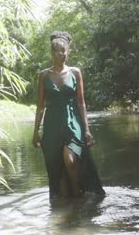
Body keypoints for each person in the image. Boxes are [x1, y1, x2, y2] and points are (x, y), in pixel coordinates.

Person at [32, 31, 105, 199]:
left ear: (68, 52)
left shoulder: (75, 72)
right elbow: (40, 106)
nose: (62, 54)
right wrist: (36, 132)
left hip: (73, 124)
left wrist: (86, 129)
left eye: (64, 51)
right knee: (58, 171)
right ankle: (68, 208)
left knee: (71, 161)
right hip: (52, 127)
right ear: (52, 53)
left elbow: (81, 102)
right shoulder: (44, 75)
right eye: (58, 51)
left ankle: (77, 197)